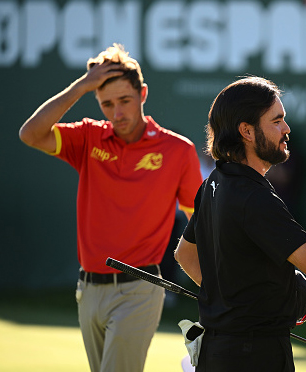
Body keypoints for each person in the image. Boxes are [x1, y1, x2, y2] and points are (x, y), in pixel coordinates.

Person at [18, 44, 202, 372]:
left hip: (139, 289)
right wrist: (81, 86)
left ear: (143, 93)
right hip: (88, 291)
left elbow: (199, 222)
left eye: (125, 101)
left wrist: (216, 282)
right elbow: (30, 134)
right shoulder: (89, 136)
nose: (117, 113)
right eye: (106, 104)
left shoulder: (178, 150)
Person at [174, 76, 306, 372]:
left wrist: (230, 302)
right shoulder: (253, 196)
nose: (286, 129)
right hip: (256, 355)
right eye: (277, 120)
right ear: (246, 131)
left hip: (217, 352)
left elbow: (185, 254)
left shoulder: (213, 183)